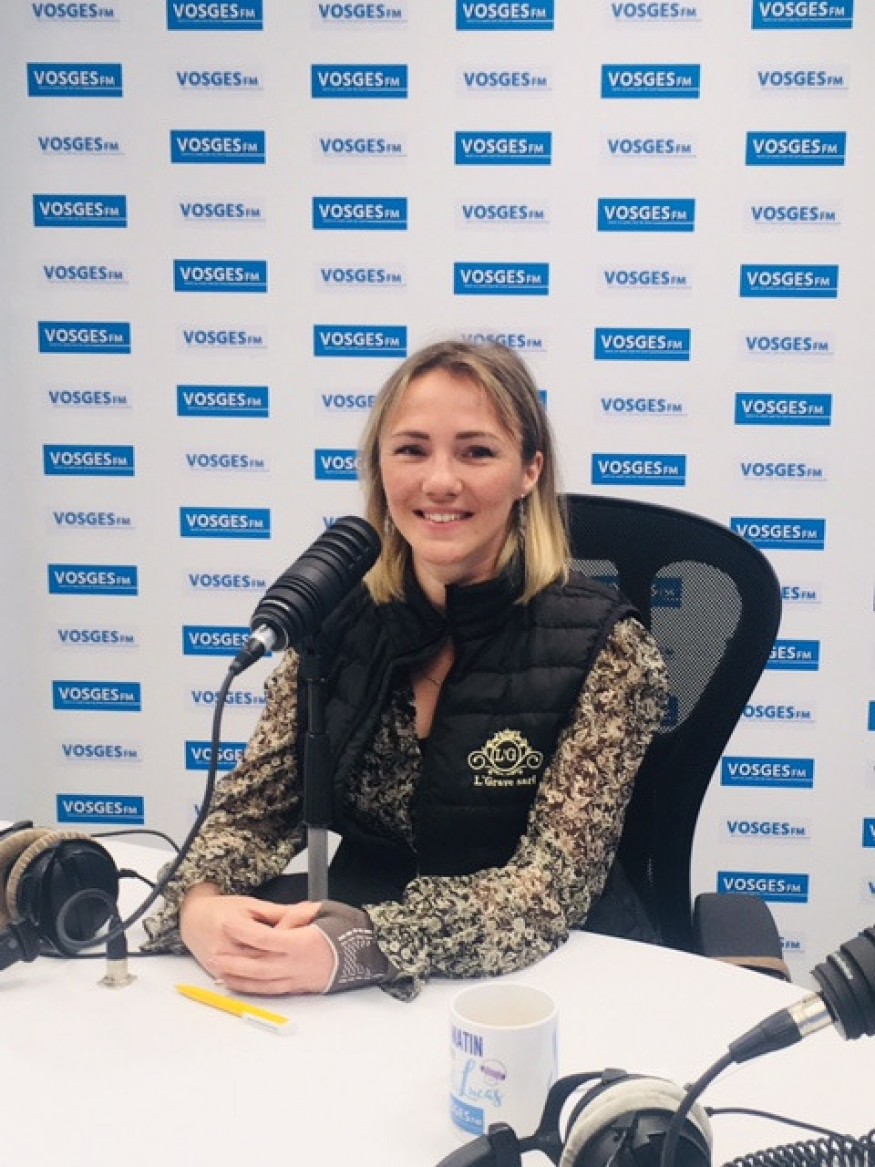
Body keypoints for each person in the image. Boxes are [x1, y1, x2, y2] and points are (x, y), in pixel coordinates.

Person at [143, 338, 669, 1000]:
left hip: (549, 981)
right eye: (412, 450)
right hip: (352, 973)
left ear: (529, 471)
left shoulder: (609, 649)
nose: (439, 481)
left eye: (476, 452)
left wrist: (366, 945)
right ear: (379, 468)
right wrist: (198, 904)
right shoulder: (334, 620)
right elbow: (252, 813)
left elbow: (550, 887)